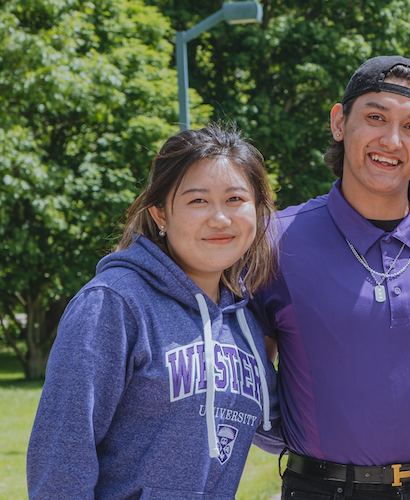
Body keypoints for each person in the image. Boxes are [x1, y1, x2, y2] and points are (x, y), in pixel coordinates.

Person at [250, 55, 410, 499]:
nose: (391, 140)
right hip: (324, 488)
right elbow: (244, 361)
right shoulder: (275, 240)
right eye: (375, 117)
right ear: (340, 122)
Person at [27, 124, 281, 499]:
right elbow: (62, 455)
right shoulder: (113, 304)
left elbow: (288, 430)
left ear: (257, 211)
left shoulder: (243, 323)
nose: (220, 219)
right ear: (161, 214)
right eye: (197, 201)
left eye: (235, 199)